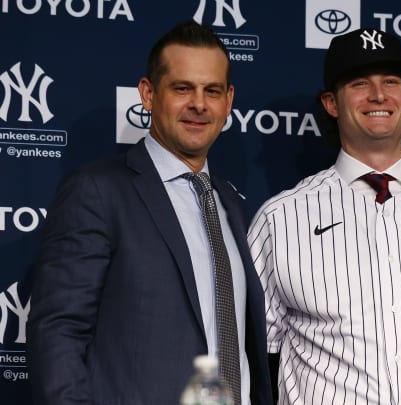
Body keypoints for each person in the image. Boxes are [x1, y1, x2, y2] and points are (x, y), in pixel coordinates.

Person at [27, 20, 272, 405]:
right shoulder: (98, 191)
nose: (198, 104)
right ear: (148, 94)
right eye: (182, 88)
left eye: (212, 91)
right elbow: (59, 332)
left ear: (228, 101)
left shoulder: (232, 204)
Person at [247, 27, 401, 404]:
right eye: (359, 83)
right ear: (331, 103)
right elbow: (258, 351)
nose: (378, 95)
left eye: (391, 81)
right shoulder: (281, 218)